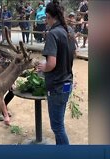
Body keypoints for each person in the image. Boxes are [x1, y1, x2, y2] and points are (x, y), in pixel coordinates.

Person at [36, 0, 74, 145]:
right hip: (67, 84)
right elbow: (72, 54)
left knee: (57, 127)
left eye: (46, 18)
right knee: (60, 123)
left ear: (48, 16)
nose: (46, 21)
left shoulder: (53, 34)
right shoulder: (68, 30)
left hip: (57, 86)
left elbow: (51, 64)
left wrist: (42, 67)